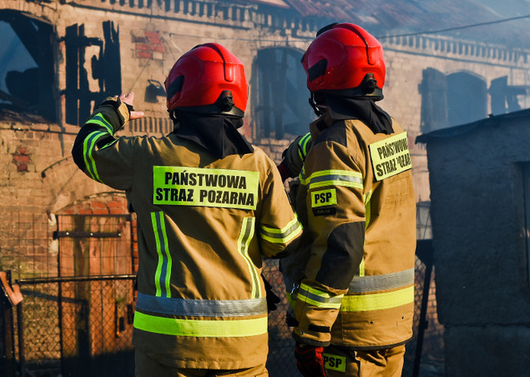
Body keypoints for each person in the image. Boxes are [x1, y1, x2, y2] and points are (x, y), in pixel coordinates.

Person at [72, 43, 302, 377]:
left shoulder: (148, 155)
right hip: (242, 345)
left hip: (169, 345)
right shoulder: (259, 166)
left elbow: (88, 150)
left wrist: (113, 112)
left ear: (180, 97)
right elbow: (281, 242)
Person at [280, 23, 416, 377]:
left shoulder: (336, 148)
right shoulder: (389, 132)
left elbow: (340, 248)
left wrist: (310, 330)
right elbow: (339, 141)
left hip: (348, 330)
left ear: (320, 82)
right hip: (392, 325)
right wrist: (289, 160)